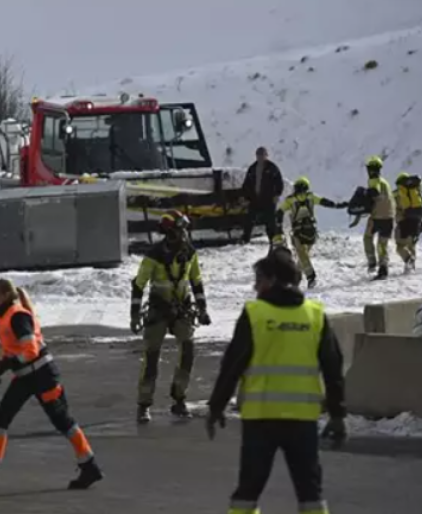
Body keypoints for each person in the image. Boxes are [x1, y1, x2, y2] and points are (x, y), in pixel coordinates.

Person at [206, 248, 347, 514]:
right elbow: (333, 367)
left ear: (271, 279)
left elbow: (233, 364)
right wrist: (338, 414)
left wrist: (216, 407)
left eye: (258, 279)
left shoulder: (256, 314)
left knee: (247, 492)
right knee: (310, 493)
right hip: (303, 420)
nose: (254, 286)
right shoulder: (314, 315)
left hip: (261, 419)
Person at [0, 279, 103, 491]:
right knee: (1, 418)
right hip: (26, 377)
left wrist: (7, 363)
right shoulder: (6, 318)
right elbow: (13, 352)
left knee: (62, 420)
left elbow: (30, 350)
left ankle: (90, 466)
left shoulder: (17, 316)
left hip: (42, 376)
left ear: (5, 296)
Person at [130, 210, 211, 423]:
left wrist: (203, 309)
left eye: (184, 230)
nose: (184, 235)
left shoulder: (190, 253)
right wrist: (134, 315)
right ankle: (144, 404)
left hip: (182, 310)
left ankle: (179, 399)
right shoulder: (153, 256)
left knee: (188, 351)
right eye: (180, 230)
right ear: (169, 232)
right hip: (158, 311)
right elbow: (138, 285)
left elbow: (197, 282)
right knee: (152, 356)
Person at [275, 176, 348, 288]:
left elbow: (280, 212)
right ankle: (296, 277)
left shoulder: (290, 200)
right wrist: (339, 205)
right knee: (303, 256)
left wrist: (278, 228)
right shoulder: (311, 197)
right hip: (311, 233)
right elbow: (325, 202)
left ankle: (311, 276)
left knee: (301, 254)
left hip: (298, 232)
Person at [241, 147, 285, 245]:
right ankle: (245, 238)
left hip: (268, 199)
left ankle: (273, 239)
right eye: (258, 155)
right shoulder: (252, 168)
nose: (260, 157)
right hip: (254, 199)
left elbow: (279, 182)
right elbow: (247, 184)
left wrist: (277, 194)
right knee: (249, 219)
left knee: (270, 221)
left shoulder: (272, 168)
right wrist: (245, 197)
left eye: (262, 155)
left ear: (266, 156)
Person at [362, 156, 395, 279]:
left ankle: (372, 262)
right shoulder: (385, 182)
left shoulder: (373, 180)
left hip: (377, 218)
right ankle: (383, 268)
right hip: (389, 217)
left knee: (367, 238)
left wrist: (365, 194)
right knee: (382, 244)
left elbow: (374, 191)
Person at [394, 171, 422, 272]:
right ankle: (411, 267)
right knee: (411, 245)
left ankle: (408, 260)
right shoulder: (415, 192)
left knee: (400, 247)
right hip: (417, 220)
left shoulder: (399, 193)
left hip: (404, 222)